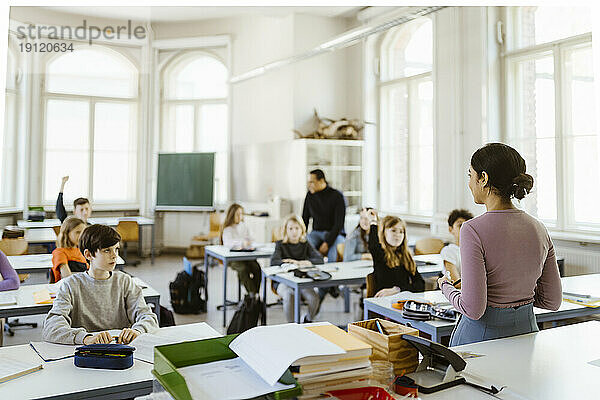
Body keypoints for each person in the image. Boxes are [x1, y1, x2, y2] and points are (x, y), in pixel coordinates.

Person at [438, 143, 562, 346]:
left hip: (480, 342)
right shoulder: (539, 228)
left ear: (484, 178)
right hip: (526, 337)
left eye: (470, 176)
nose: (469, 184)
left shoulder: (472, 229)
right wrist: (519, 303)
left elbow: (473, 309)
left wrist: (445, 286)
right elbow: (552, 301)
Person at [42, 224, 158, 345]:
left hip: (120, 352)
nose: (114, 255)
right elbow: (51, 328)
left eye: (116, 249)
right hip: (86, 353)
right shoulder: (70, 285)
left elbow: (149, 317)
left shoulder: (124, 281)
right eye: (107, 250)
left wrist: (137, 331)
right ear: (88, 255)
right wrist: (85, 338)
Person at [270, 215, 324, 323]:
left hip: (301, 280)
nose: (294, 232)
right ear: (286, 230)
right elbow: (274, 261)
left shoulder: (305, 244)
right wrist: (288, 264)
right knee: (289, 295)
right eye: (290, 229)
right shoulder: (280, 244)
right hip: (283, 281)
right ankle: (292, 325)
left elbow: (319, 259)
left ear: (302, 230)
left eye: (297, 228)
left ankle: (307, 319)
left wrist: (302, 262)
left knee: (314, 298)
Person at [366, 210, 424, 297]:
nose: (398, 235)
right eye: (393, 230)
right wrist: (373, 221)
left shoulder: (406, 257)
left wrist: (397, 289)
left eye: (401, 232)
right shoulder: (380, 253)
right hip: (383, 302)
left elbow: (420, 284)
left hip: (401, 300)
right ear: (383, 233)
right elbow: (373, 244)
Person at [302, 169, 346, 262]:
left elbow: (338, 224)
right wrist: (301, 235)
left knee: (333, 253)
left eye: (311, 182)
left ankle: (332, 274)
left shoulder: (337, 196)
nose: (309, 185)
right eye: (308, 182)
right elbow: (304, 219)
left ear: (321, 181)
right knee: (304, 245)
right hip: (316, 233)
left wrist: (327, 243)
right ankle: (313, 272)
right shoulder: (310, 195)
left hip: (335, 234)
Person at [220, 203, 261, 296]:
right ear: (232, 215)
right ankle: (253, 295)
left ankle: (255, 295)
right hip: (233, 258)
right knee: (243, 270)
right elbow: (228, 244)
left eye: (241, 214)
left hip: (245, 256)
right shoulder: (227, 229)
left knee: (256, 268)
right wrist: (241, 243)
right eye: (238, 214)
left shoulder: (243, 226)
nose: (240, 217)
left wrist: (249, 241)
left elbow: (250, 237)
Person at [440, 209, 474, 284]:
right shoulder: (449, 251)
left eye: (469, 226)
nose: (465, 229)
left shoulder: (476, 250)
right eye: (460, 225)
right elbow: (456, 282)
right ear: (450, 229)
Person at [51, 216, 88, 283]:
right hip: (68, 288)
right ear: (67, 233)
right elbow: (67, 278)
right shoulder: (59, 253)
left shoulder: (81, 251)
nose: (81, 236)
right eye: (77, 232)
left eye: (83, 232)